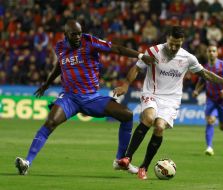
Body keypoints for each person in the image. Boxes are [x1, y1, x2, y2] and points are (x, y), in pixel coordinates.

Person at [15, 19, 156, 175]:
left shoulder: (89, 41)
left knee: (127, 115)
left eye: (79, 33)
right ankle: (27, 162)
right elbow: (60, 66)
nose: (77, 37)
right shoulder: (60, 47)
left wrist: (141, 55)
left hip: (92, 98)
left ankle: (120, 160)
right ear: (66, 34)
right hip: (69, 98)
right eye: (74, 34)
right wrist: (47, 83)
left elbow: (116, 49)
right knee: (50, 122)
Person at [113, 26, 223, 180]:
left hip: (171, 100)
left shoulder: (188, 58)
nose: (174, 47)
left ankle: (144, 167)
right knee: (148, 118)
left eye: (178, 44)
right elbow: (137, 68)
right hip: (152, 93)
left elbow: (207, 75)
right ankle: (127, 158)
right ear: (167, 38)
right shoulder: (154, 51)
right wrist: (126, 84)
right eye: (172, 43)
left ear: (182, 42)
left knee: (159, 127)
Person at [192, 44, 223, 156]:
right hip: (211, 99)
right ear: (207, 53)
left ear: (217, 53)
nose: (212, 53)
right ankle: (209, 147)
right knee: (210, 121)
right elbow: (201, 81)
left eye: (214, 51)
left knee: (222, 127)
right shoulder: (204, 68)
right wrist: (197, 91)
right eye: (210, 51)